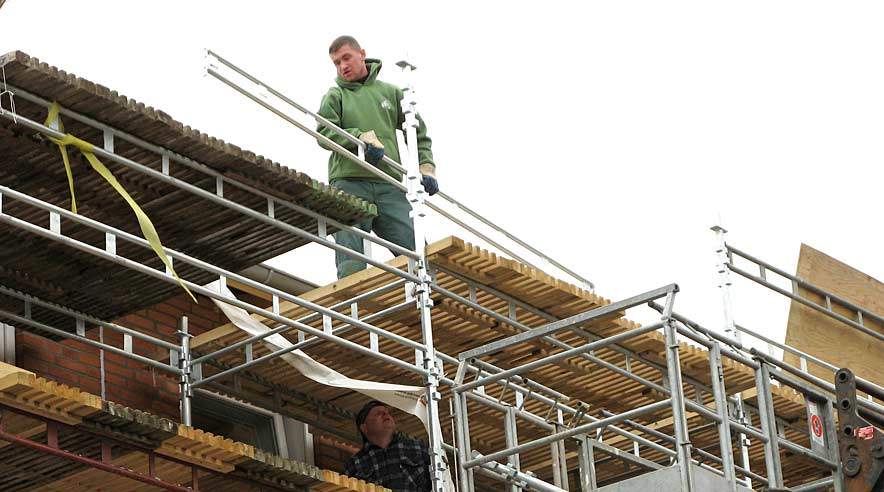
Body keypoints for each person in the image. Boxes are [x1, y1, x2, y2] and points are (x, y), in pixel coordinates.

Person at [317, 35, 439, 279]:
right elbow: (323, 132)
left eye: (346, 58)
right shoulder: (336, 95)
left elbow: (417, 132)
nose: (343, 66)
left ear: (362, 54)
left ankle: (433, 299)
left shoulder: (391, 93)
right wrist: (358, 137)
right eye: (336, 63)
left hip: (388, 182)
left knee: (415, 247)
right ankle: (353, 307)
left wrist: (426, 167)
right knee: (351, 254)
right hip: (349, 182)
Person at [344, 400, 431, 491]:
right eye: (378, 413)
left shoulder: (418, 447)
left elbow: (441, 479)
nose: (385, 414)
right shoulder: (354, 463)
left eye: (387, 412)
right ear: (364, 428)